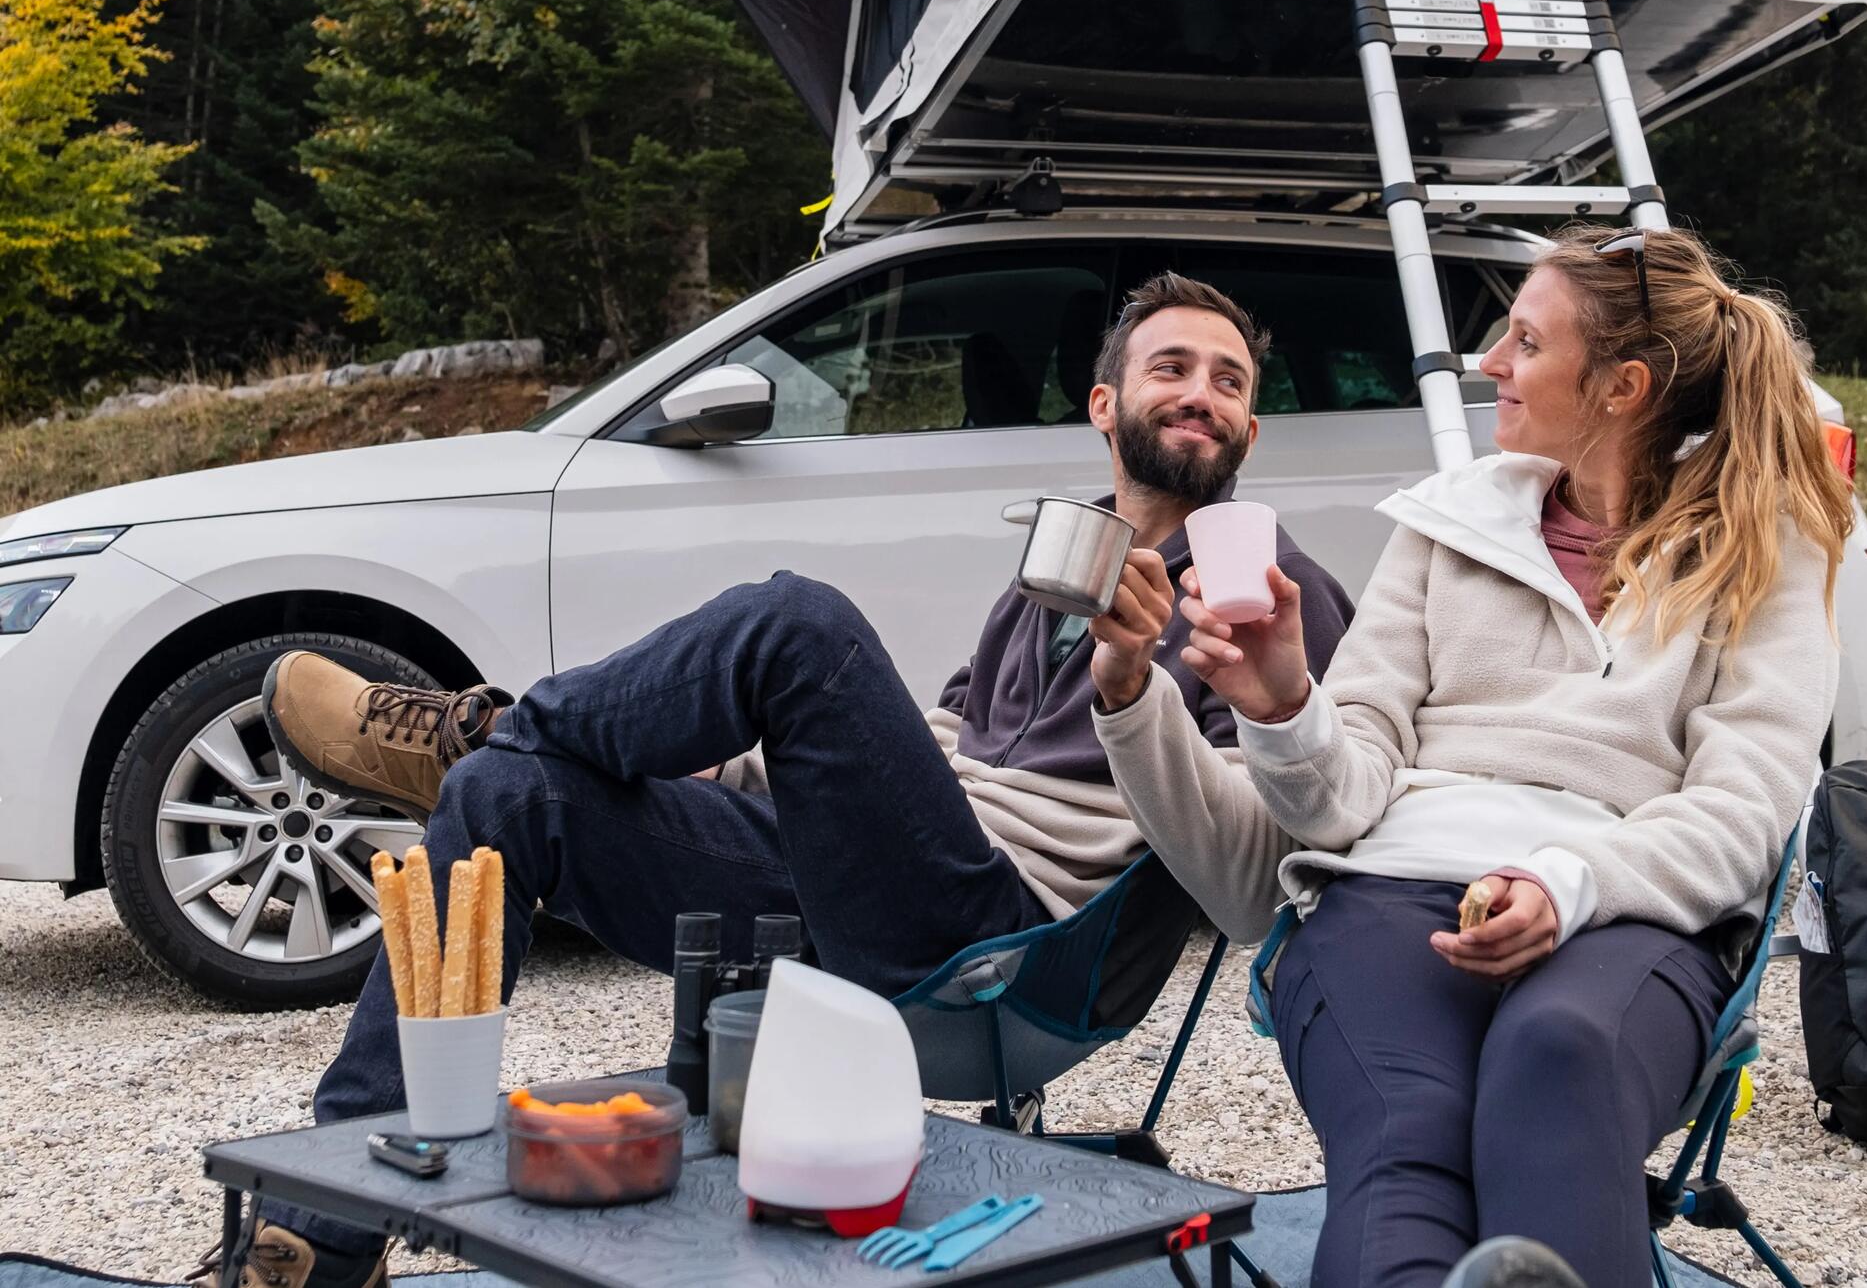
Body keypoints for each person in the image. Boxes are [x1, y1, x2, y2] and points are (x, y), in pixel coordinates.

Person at [232, 272, 1353, 1288]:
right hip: (873, 888)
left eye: (1228, 379)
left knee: (800, 622)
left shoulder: (1272, 597)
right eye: (1171, 366)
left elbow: (1248, 869)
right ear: (1105, 406)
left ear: (1251, 426)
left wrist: (1128, 684)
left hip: (1011, 937)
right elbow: (948, 737)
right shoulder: (1051, 576)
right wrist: (739, 763)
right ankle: (317, 1239)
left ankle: (482, 723)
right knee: (509, 798)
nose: (1200, 391)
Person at [1095, 226, 1851, 1288]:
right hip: (1392, 890)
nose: (1488, 361)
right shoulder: (1446, 525)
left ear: (1621, 385)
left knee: (1562, 1050)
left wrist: (1564, 881)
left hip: (1631, 905)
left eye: (1525, 340)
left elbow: (1744, 812)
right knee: (1410, 1125)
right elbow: (1338, 800)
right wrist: (1284, 704)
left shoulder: (1758, 554)